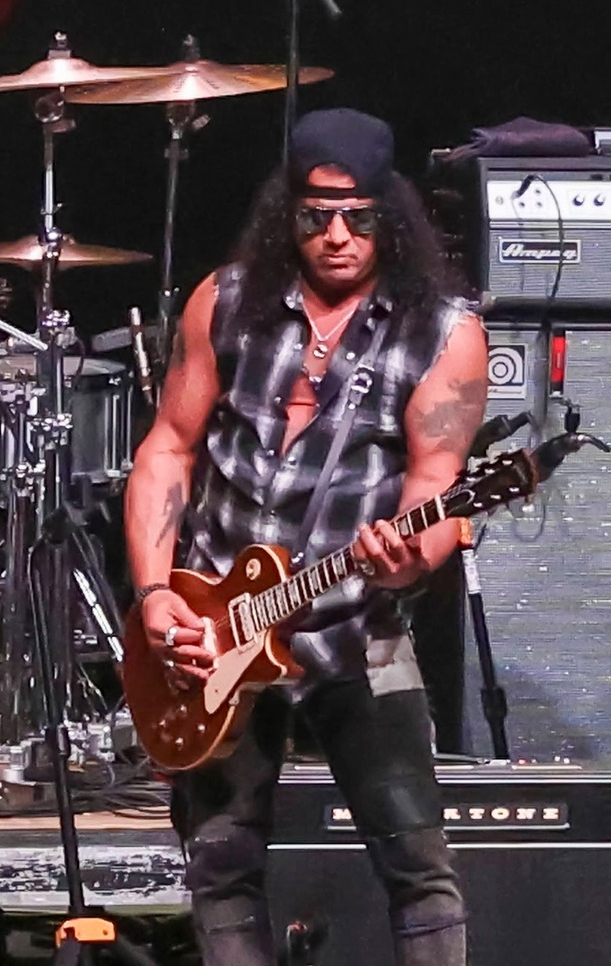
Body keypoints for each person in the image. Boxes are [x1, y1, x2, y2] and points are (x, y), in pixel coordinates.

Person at [124, 108, 487, 966]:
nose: (336, 235)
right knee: (219, 865)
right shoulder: (228, 302)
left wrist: (411, 557)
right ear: (287, 213)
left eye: (358, 216)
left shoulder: (443, 334)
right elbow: (167, 450)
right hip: (218, 626)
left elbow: (439, 492)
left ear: (389, 215)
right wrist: (155, 593)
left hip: (354, 625)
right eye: (316, 214)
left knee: (418, 865)